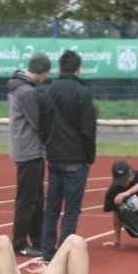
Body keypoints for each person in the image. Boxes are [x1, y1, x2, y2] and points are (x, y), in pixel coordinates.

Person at [38, 49, 96, 260]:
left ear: (60, 67)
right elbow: (88, 129)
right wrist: (89, 155)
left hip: (55, 158)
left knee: (52, 207)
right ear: (78, 69)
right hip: (76, 159)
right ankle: (63, 252)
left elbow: (42, 126)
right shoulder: (83, 93)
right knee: (71, 209)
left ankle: (47, 250)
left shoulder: (48, 92)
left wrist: (49, 146)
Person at [7, 52, 52, 258]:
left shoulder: (22, 88)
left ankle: (36, 240)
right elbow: (38, 122)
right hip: (30, 150)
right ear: (42, 72)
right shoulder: (27, 92)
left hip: (29, 149)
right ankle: (19, 242)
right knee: (28, 199)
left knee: (35, 197)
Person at [103, 160, 138, 249]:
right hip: (134, 222)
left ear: (130, 171)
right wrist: (117, 241)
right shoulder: (113, 191)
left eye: (124, 179)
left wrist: (126, 193)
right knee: (123, 211)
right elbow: (116, 216)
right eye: (120, 180)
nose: (122, 183)